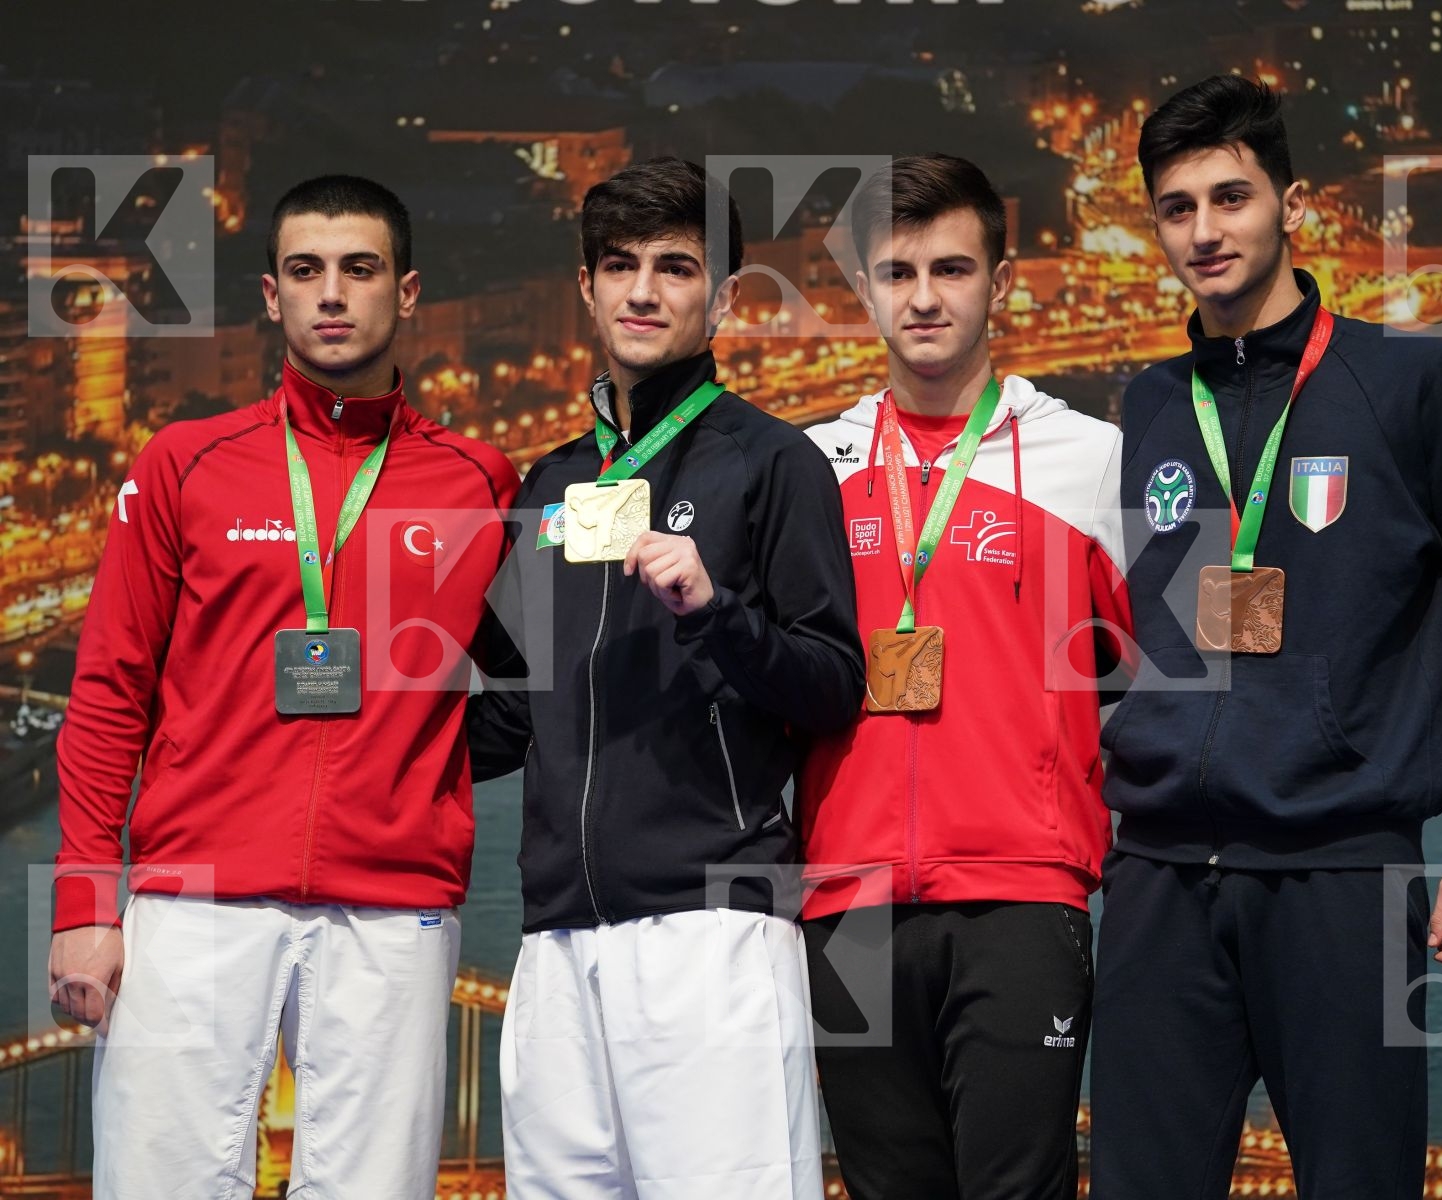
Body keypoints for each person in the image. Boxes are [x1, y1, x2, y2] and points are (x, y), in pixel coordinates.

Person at [1091, 76, 1442, 1198]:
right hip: (1156, 879)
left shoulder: (1407, 384)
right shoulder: (1147, 400)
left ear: (1288, 202)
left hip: (1339, 871)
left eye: (1229, 196)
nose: (1202, 231)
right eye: (1175, 207)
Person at [48, 175, 521, 1199]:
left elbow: (527, 693)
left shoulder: (479, 482)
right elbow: (106, 691)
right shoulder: (184, 465)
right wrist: (87, 897)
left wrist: (414, 781)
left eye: (359, 269)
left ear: (407, 292)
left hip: (394, 910)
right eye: (306, 271)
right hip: (196, 899)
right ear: (272, 296)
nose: (332, 294)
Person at [468, 156, 864, 1200]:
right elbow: (499, 727)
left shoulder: (773, 464)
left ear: (722, 298)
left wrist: (715, 615)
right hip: (555, 944)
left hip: (711, 931)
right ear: (587, 288)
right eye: (619, 265)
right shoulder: (549, 483)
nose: (643, 290)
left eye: (675, 267)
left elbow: (831, 685)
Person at [798, 153, 1131, 1199]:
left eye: (951, 268)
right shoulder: (806, 468)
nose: (925, 297)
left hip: (1023, 898)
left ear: (1001, 280)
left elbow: (1166, 685)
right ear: (863, 289)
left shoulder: (1093, 460)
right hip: (841, 900)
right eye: (897, 272)